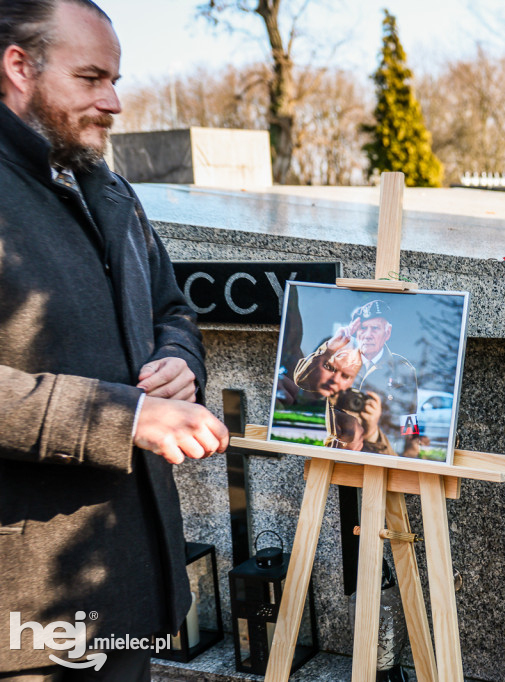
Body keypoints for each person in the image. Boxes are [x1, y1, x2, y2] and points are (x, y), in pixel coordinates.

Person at [0, 1, 231, 680]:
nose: (115, 102)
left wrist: (177, 363)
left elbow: (172, 306)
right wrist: (126, 416)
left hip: (130, 593)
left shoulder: (110, 189)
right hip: (26, 619)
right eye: (92, 78)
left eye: (116, 79)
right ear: (18, 67)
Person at [292, 331, 392, 455]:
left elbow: (394, 465)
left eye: (345, 376)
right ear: (314, 362)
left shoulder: (354, 415)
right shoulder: (286, 391)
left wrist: (371, 433)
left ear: (352, 381)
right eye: (329, 367)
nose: (335, 380)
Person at [349, 300, 419, 446]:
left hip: (384, 448)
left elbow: (409, 414)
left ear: (387, 332)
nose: (368, 335)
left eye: (375, 328)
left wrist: (411, 445)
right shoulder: (343, 364)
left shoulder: (403, 370)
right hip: (346, 447)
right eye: (363, 328)